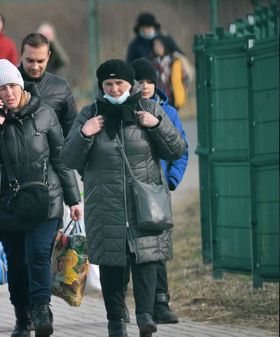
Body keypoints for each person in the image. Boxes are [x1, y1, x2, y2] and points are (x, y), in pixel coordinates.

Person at [61, 59, 186, 337]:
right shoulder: (90, 114)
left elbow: (177, 149)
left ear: (132, 85)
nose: (115, 89)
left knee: (147, 260)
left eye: (120, 83)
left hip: (145, 205)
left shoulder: (150, 109)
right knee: (111, 265)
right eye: (108, 84)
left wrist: (156, 126)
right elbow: (67, 158)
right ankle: (116, 322)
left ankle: (145, 316)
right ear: (101, 86)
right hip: (105, 206)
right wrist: (84, 133)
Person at [0, 59, 82, 337]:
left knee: (38, 254)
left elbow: (60, 157)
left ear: (21, 86)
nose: (8, 93)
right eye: (2, 88)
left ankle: (42, 309)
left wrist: (73, 199)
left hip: (46, 199)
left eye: (12, 86)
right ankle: (23, 318)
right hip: (6, 205)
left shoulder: (44, 113)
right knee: (17, 264)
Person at [0, 32, 78, 204]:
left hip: (48, 178)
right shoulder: (1, 84)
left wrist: (74, 186)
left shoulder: (60, 87)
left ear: (49, 56)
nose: (35, 66)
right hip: (10, 177)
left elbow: (71, 133)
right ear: (20, 55)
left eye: (40, 61)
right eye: (30, 60)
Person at [131, 58, 189, 324]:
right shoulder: (126, 110)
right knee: (131, 248)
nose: (144, 86)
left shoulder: (169, 112)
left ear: (156, 83)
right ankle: (125, 303)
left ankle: (161, 302)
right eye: (139, 81)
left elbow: (181, 149)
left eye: (149, 81)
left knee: (159, 247)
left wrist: (172, 180)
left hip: (158, 191)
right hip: (132, 190)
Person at [149, 36, 194, 110]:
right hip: (157, 97)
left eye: (160, 45)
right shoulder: (151, 62)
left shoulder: (175, 60)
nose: (157, 47)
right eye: (155, 45)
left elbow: (187, 77)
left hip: (172, 96)